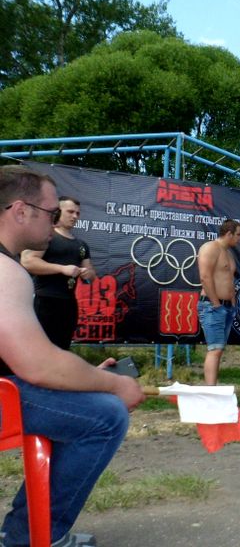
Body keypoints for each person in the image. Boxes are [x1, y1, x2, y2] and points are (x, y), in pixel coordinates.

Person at [0, 165, 145, 547]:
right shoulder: (5, 272)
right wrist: (114, 385)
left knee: (82, 399)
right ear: (20, 211)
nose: (56, 222)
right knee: (105, 416)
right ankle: (33, 536)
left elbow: (27, 360)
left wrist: (85, 379)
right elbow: (39, 366)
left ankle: (25, 533)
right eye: (51, 213)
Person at [21, 196, 97, 350]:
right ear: (58, 212)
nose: (75, 216)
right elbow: (28, 261)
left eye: (77, 213)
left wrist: (87, 274)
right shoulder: (47, 236)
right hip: (45, 301)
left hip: (69, 303)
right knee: (40, 349)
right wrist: (62, 269)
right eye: (70, 212)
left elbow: (91, 274)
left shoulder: (81, 245)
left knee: (62, 348)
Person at [197, 219, 240, 386]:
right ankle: (210, 391)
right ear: (229, 233)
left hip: (227, 307)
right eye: (238, 235)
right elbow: (205, 277)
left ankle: (213, 388)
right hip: (212, 306)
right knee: (214, 349)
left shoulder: (229, 254)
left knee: (218, 349)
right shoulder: (210, 248)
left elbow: (228, 280)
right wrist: (216, 304)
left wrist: (232, 303)